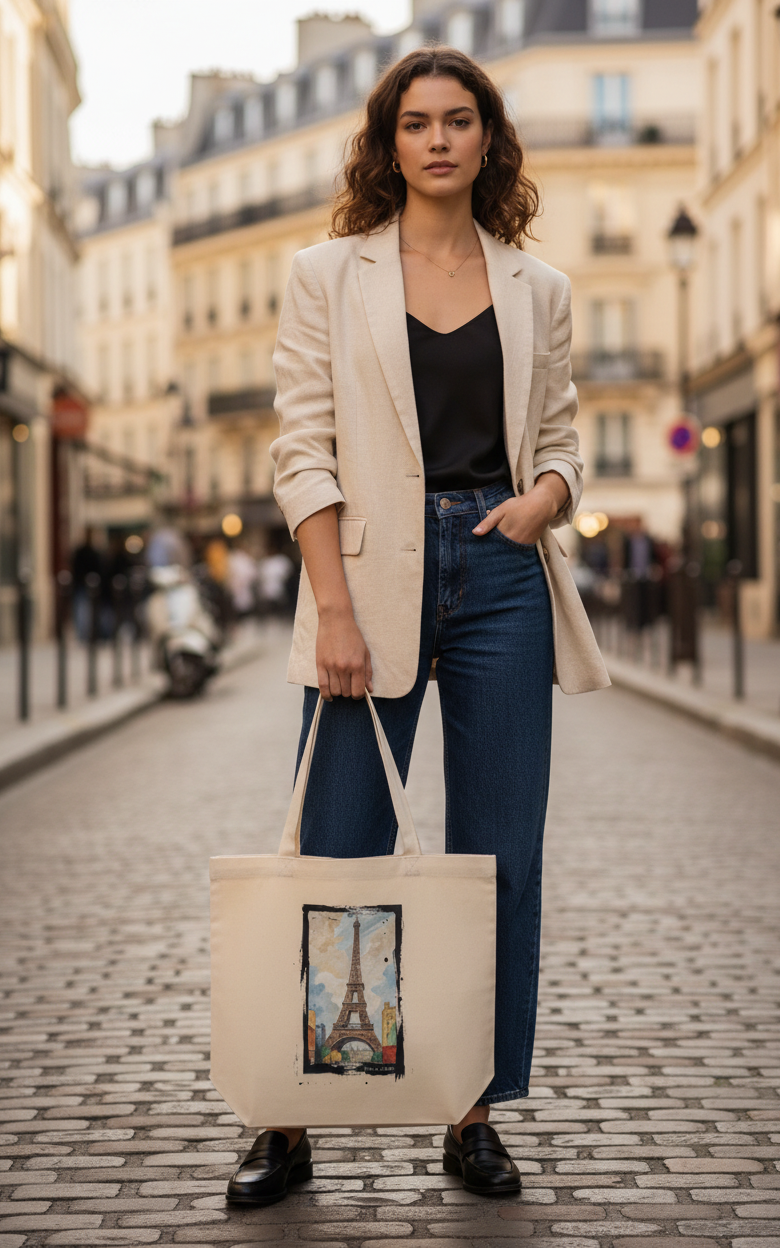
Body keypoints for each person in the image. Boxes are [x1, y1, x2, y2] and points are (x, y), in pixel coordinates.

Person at [226, 46, 609, 1207]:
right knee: (337, 849)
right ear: (386, 143)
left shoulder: (536, 289)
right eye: (414, 122)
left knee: (503, 861)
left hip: (498, 578)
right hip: (366, 580)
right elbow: (300, 447)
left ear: (487, 139)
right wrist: (330, 608)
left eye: (458, 120)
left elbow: (561, 442)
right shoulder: (324, 275)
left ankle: (472, 1110)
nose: (437, 139)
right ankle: (290, 1117)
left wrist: (543, 499)